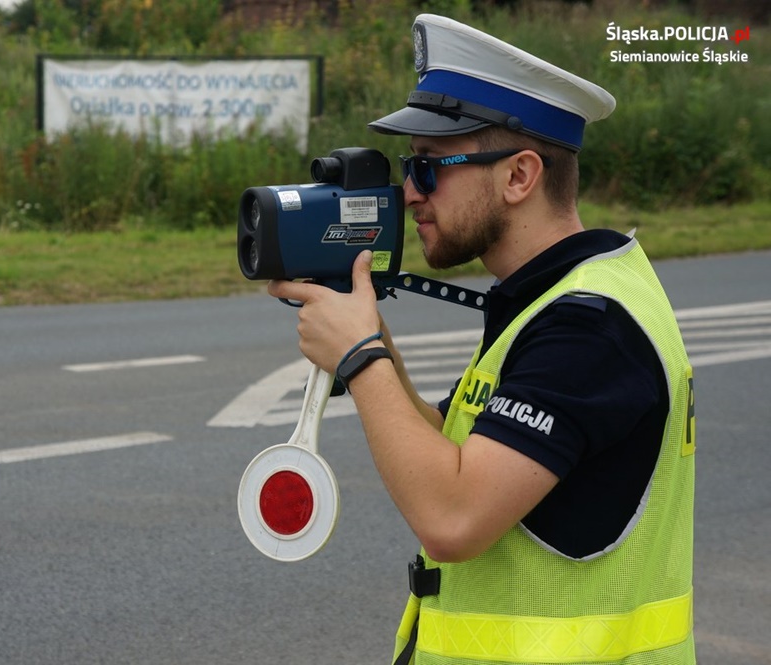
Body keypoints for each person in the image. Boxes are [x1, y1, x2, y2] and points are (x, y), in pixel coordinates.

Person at [268, 14, 696, 665]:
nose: (409, 193)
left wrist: (361, 357)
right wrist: (367, 328)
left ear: (520, 176)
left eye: (431, 167)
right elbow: (454, 450)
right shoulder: (553, 298)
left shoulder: (589, 327)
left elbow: (454, 517)